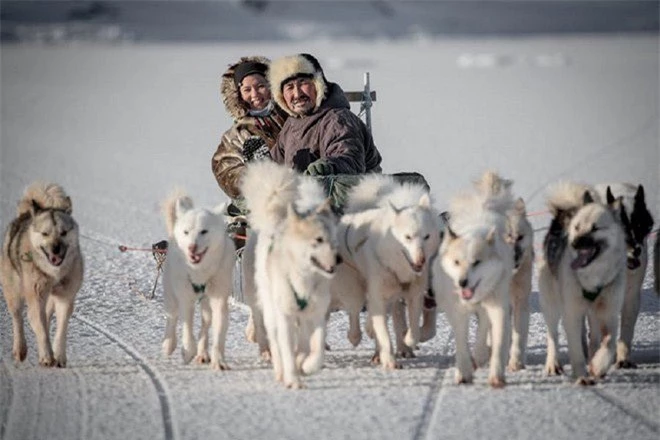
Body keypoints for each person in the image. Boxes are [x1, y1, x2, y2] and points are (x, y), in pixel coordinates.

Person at [267, 53, 384, 209]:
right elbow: (276, 166)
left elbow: (349, 159)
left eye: (303, 83)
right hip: (308, 205)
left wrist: (328, 166)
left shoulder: (337, 119)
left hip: (348, 207)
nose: (297, 94)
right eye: (289, 87)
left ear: (318, 84)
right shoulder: (291, 125)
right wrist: (260, 166)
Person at [211, 56, 289, 248]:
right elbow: (225, 170)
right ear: (238, 95)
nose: (255, 94)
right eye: (247, 89)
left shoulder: (293, 119)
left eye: (261, 86)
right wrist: (254, 176)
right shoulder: (236, 135)